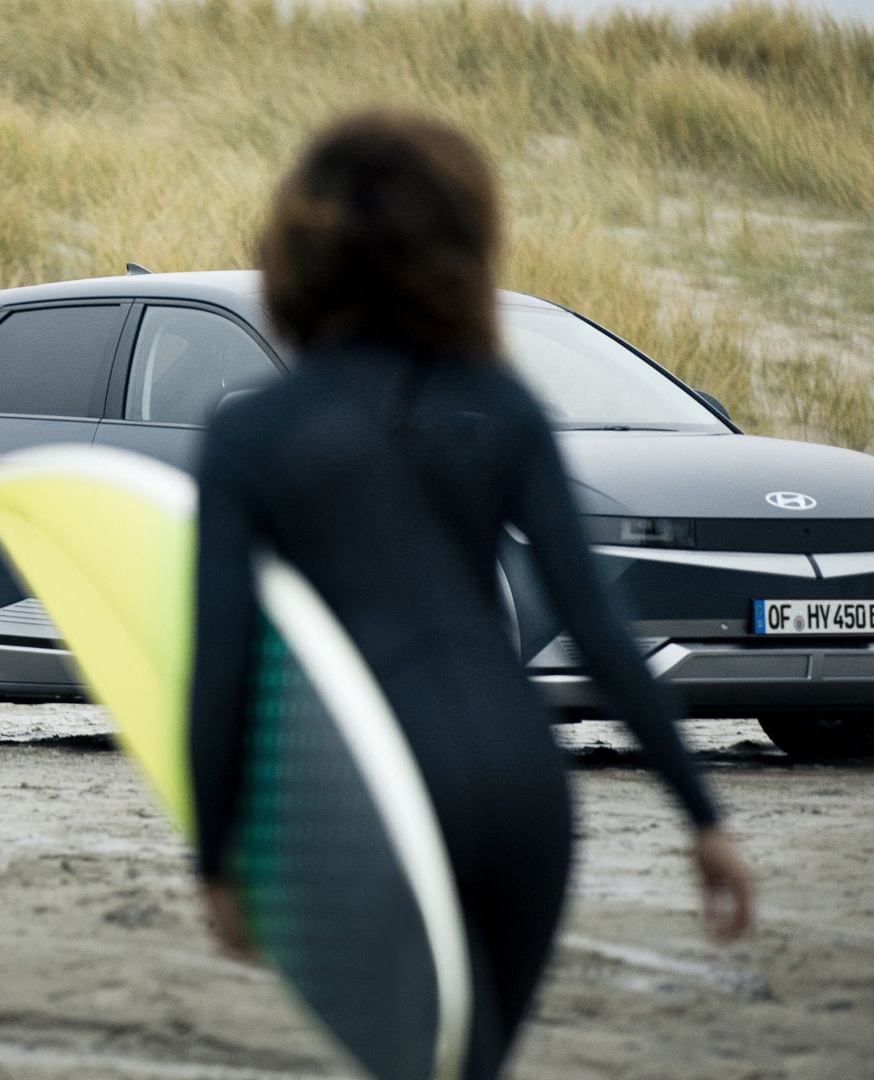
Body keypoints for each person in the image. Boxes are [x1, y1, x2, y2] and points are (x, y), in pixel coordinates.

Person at [185, 110, 756, 1079]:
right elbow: (598, 626)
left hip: (381, 798)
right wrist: (702, 817)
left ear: (297, 250)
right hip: (529, 793)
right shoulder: (502, 405)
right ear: (459, 248)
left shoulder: (253, 435)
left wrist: (215, 855)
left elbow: (223, 664)